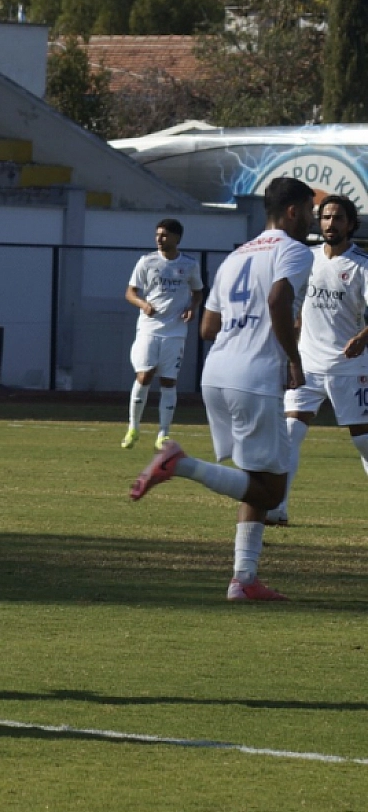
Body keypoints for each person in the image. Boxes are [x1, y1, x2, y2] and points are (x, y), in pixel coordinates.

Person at [130, 176, 315, 601]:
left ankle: (243, 579)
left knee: (255, 481)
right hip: (255, 376)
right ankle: (181, 464)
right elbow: (277, 300)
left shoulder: (238, 255)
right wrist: (293, 358)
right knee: (272, 490)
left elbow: (209, 327)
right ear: (293, 211)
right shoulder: (293, 251)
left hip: (217, 372)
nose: (310, 219)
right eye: (308, 210)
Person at [265, 195, 367, 526]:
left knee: (364, 441)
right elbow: (294, 311)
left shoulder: (360, 266)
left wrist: (363, 338)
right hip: (307, 364)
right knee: (290, 433)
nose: (329, 224)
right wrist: (287, 351)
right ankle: (277, 508)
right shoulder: (306, 259)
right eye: (324, 217)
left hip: (349, 367)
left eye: (337, 218)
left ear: (351, 224)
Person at [122, 219, 203, 450]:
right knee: (144, 375)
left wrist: (192, 308)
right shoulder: (147, 262)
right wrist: (143, 304)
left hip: (175, 331)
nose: (159, 239)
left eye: (165, 235)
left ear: (177, 238)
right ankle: (133, 427)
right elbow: (130, 292)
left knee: (169, 381)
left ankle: (163, 434)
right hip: (149, 328)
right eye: (157, 234)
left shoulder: (189, 264)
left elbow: (198, 292)